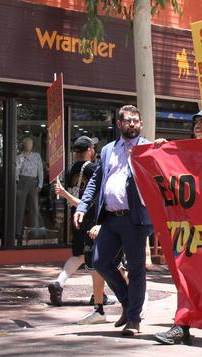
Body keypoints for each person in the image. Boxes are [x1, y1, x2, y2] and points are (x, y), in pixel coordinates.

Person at [73, 105, 152, 336]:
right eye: (127, 121)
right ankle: (128, 302)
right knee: (100, 261)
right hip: (110, 218)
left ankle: (134, 320)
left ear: (141, 124)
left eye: (136, 121)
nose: (132, 124)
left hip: (135, 219)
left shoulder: (147, 147)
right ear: (119, 124)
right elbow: (96, 180)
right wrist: (82, 205)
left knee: (136, 269)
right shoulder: (108, 150)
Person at [153, 107, 202, 346]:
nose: (197, 125)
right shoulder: (184, 152)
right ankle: (181, 326)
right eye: (196, 121)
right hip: (193, 231)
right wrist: (162, 149)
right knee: (185, 275)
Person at [48, 136, 114, 323]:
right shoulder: (93, 169)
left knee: (79, 254)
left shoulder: (70, 170)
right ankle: (98, 297)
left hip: (77, 216)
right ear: (90, 149)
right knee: (97, 259)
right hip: (92, 218)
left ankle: (59, 282)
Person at [15, 136, 44, 243]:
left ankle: (35, 231)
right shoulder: (19, 157)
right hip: (22, 181)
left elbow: (40, 170)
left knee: (34, 207)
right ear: (24, 144)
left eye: (30, 143)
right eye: (27, 143)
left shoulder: (37, 156)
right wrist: (16, 182)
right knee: (19, 208)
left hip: (33, 181)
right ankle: (17, 232)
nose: (29, 145)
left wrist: (40, 184)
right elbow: (16, 171)